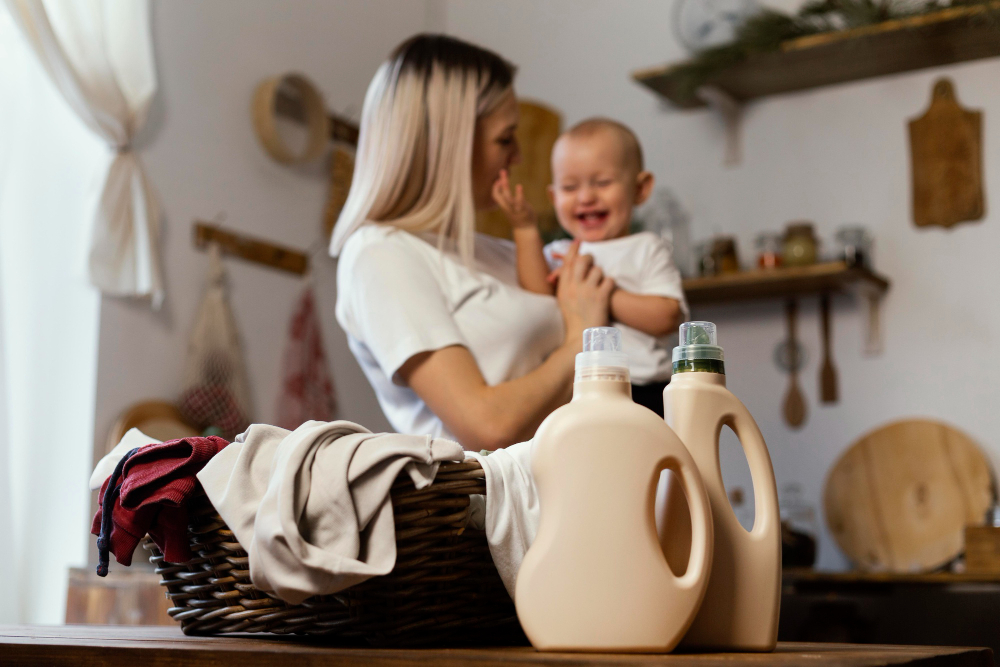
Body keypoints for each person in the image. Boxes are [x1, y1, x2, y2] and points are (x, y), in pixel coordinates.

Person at [330, 35, 613, 451]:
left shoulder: (496, 251)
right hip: (495, 510)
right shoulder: (380, 254)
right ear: (450, 142)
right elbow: (487, 425)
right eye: (505, 138)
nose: (517, 156)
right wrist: (583, 340)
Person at [492, 118, 688, 415]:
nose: (585, 197)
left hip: (644, 390)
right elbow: (538, 294)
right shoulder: (562, 252)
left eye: (602, 183)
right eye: (570, 187)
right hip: (577, 391)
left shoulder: (646, 247)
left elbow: (667, 316)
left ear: (640, 189)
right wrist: (525, 229)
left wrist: (602, 294)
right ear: (553, 197)